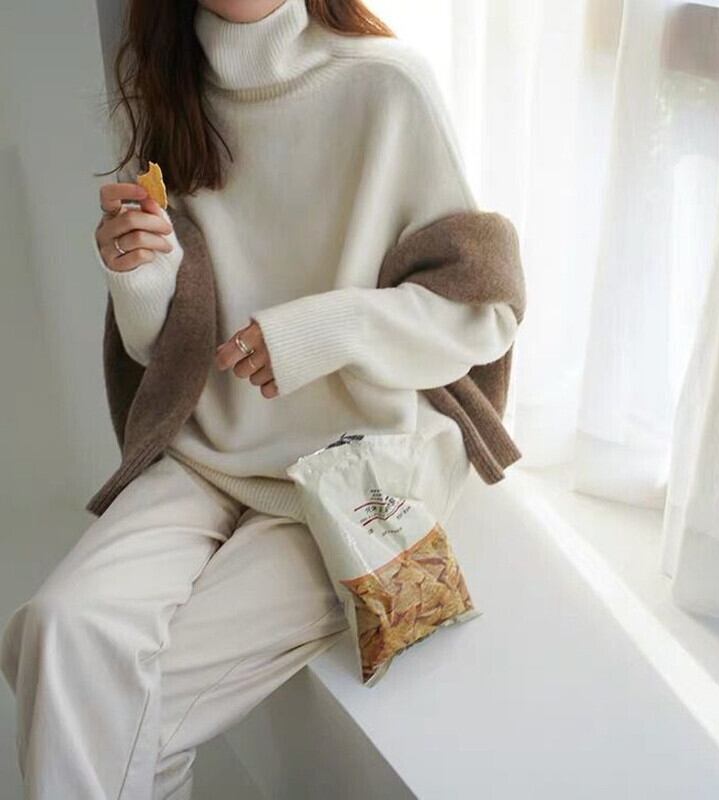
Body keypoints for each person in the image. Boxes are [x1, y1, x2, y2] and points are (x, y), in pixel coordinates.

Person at [0, 1, 519, 798]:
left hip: (348, 475)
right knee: (55, 630)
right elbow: (159, 345)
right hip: (207, 455)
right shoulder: (169, 94)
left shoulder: (387, 87)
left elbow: (481, 312)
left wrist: (322, 330)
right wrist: (139, 274)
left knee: (105, 708)